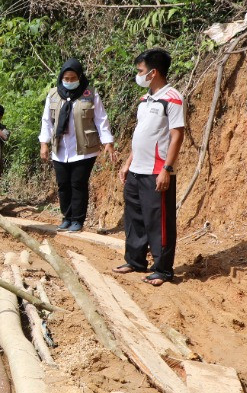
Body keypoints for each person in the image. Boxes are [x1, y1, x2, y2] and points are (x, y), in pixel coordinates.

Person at [117, 48, 185, 285]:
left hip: (157, 171)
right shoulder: (145, 100)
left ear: (153, 72)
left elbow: (177, 135)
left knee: (159, 222)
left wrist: (167, 169)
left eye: (141, 71)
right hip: (137, 169)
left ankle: (163, 269)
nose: (138, 75)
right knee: (135, 217)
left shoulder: (172, 98)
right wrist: (128, 163)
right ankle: (135, 260)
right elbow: (140, 135)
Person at [39, 59, 115, 231]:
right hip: (60, 148)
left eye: (73, 78)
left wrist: (108, 142)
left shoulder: (90, 94)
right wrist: (44, 144)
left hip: (84, 149)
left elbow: (101, 119)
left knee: (78, 184)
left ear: (80, 77)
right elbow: (47, 122)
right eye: (66, 78)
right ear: (61, 77)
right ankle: (67, 217)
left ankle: (77, 220)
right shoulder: (53, 95)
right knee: (63, 185)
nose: (70, 81)